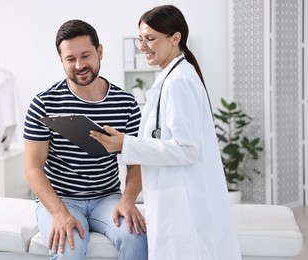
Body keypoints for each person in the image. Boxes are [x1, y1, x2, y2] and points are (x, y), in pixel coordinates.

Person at [90, 5, 242, 260]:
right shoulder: (172, 77)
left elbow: (186, 149)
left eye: (150, 39)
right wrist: (126, 143)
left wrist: (126, 144)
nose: (143, 46)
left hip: (184, 208)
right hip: (174, 202)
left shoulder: (180, 81)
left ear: (175, 38)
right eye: (141, 39)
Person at [23, 19, 148, 260]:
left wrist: (128, 200)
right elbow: (32, 168)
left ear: (100, 51)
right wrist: (60, 214)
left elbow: (136, 162)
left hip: (107, 197)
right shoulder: (44, 103)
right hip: (61, 198)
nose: (79, 65)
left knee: (136, 238)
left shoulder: (126, 103)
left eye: (86, 55)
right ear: (61, 60)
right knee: (69, 248)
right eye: (70, 59)